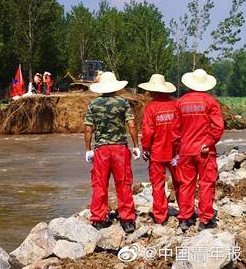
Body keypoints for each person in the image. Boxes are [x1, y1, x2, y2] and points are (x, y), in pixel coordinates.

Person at [84, 72, 140, 233]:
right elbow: (132, 125)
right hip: (120, 149)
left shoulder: (93, 104)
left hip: (101, 149)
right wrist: (136, 145)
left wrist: (88, 149)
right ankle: (127, 219)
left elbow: (88, 129)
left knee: (100, 184)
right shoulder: (122, 102)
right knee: (123, 184)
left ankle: (98, 218)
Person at [175, 69, 224, 231]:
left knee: (186, 184)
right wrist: (209, 142)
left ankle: (185, 218)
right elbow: (218, 127)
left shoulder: (180, 102)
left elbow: (175, 131)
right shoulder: (210, 101)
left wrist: (178, 149)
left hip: (186, 150)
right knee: (206, 184)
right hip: (205, 151)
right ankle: (205, 219)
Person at [138, 74, 181, 225]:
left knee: (158, 184)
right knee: (179, 182)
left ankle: (160, 217)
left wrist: (145, 149)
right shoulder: (175, 105)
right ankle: (185, 212)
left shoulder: (151, 107)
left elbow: (148, 131)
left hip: (157, 152)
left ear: (153, 91)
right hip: (176, 152)